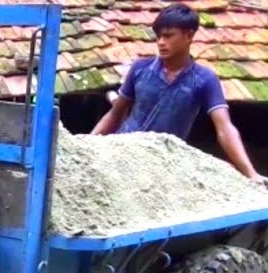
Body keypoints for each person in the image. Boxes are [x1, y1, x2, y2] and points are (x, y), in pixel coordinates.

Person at [92, 3, 265, 185]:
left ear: (189, 35)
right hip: (122, 153)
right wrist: (87, 144)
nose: (161, 42)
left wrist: (250, 173)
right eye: (158, 36)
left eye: (168, 36)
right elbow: (115, 113)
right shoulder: (140, 69)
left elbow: (224, 128)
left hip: (163, 164)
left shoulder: (204, 79)